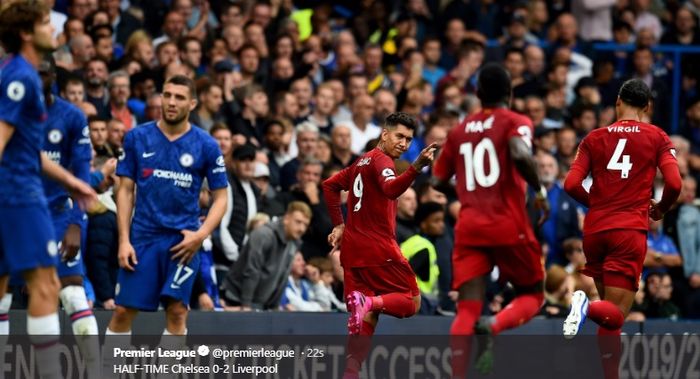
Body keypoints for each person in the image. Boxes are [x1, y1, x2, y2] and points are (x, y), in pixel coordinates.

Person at [431, 63, 549, 377]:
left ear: (478, 94)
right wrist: (539, 189)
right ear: (510, 95)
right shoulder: (516, 121)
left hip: (469, 226)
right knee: (533, 295)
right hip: (507, 223)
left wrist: (467, 188)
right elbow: (520, 154)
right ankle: (494, 325)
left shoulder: (458, 132)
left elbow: (436, 181)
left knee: (467, 306)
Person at [0, 2, 96, 378]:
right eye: (45, 22)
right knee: (47, 283)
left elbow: (24, 145)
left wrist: (71, 180)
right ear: (27, 33)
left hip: (16, 191)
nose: (54, 27)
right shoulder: (22, 77)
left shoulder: (13, 71)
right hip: (19, 196)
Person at [562, 78, 682, 379]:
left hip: (595, 231)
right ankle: (585, 306)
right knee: (615, 314)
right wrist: (662, 209)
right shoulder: (656, 136)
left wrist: (597, 204)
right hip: (627, 232)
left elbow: (571, 184)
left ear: (618, 101)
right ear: (647, 106)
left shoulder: (594, 137)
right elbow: (675, 183)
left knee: (610, 315)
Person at [104, 75, 228, 363]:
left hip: (183, 241)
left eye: (180, 97)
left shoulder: (206, 145)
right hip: (143, 238)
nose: (172, 102)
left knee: (177, 310)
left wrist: (200, 235)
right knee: (123, 311)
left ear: (192, 103)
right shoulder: (137, 137)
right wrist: (124, 240)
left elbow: (221, 198)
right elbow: (124, 190)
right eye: (167, 95)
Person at [322, 112, 436, 378]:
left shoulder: (361, 161)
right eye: (399, 136)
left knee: (367, 319)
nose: (404, 144)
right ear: (384, 134)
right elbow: (391, 189)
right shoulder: (382, 161)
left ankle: (351, 372)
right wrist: (416, 167)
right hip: (378, 248)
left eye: (409, 139)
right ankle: (368, 301)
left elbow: (329, 186)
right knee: (411, 302)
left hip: (352, 251)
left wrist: (339, 224)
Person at [221, 201, 312, 311]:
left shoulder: (293, 243)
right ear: (287, 218)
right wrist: (246, 305)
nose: (302, 229)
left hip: (259, 305)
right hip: (236, 299)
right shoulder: (264, 235)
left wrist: (274, 307)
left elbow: (282, 278)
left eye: (305, 225)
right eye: (298, 222)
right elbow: (252, 270)